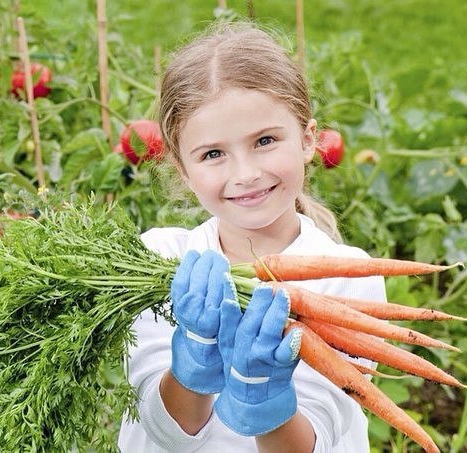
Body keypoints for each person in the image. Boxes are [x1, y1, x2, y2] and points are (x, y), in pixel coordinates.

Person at [117, 21, 387, 453]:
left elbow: (316, 440)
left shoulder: (352, 280)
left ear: (307, 139)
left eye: (264, 140)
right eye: (213, 154)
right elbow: (160, 431)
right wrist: (192, 369)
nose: (245, 174)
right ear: (183, 171)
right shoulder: (160, 261)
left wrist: (266, 404)